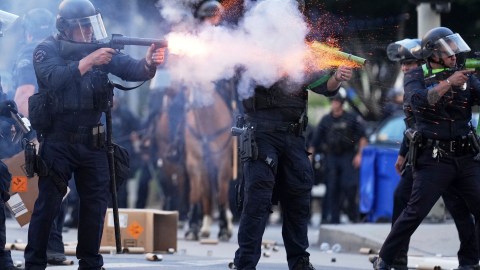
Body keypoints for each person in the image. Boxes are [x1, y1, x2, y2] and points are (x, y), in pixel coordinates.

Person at [23, 0, 166, 269]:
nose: (89, 33)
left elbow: (131, 70)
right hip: (58, 141)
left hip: (94, 141)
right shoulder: (46, 49)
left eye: (91, 26)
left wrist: (149, 63)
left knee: (95, 206)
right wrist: (90, 60)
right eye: (82, 28)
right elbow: (53, 77)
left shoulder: (99, 48)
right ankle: (34, 263)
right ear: (65, 29)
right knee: (47, 206)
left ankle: (90, 263)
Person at [231, 6, 354, 267]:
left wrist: (337, 78)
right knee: (257, 202)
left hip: (294, 138)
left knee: (298, 202)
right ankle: (245, 263)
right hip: (262, 136)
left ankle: (299, 262)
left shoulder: (300, 57)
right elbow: (244, 79)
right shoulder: (249, 52)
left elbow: (324, 85)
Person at [373, 27, 480, 270]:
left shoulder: (464, 75)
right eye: (447, 51)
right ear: (434, 54)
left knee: (469, 211)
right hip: (434, 159)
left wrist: (464, 80)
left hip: (465, 157)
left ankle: (470, 262)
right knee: (413, 212)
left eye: (454, 50)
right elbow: (417, 105)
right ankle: (386, 259)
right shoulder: (416, 75)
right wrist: (448, 83)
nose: (454, 55)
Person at [11, 8, 74, 267]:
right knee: (50, 190)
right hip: (53, 129)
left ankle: (46, 247)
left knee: (20, 192)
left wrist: (28, 131)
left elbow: (24, 98)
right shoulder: (56, 50)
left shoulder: (29, 53)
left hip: (33, 131)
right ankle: (53, 246)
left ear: (27, 31)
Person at [311, 92, 367, 224]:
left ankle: (353, 214)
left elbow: (362, 138)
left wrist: (360, 155)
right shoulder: (326, 120)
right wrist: (309, 157)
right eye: (333, 102)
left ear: (342, 104)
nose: (334, 104)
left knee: (350, 186)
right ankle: (333, 218)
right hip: (331, 156)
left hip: (348, 156)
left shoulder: (351, 118)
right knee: (332, 187)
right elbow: (315, 142)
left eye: (337, 102)